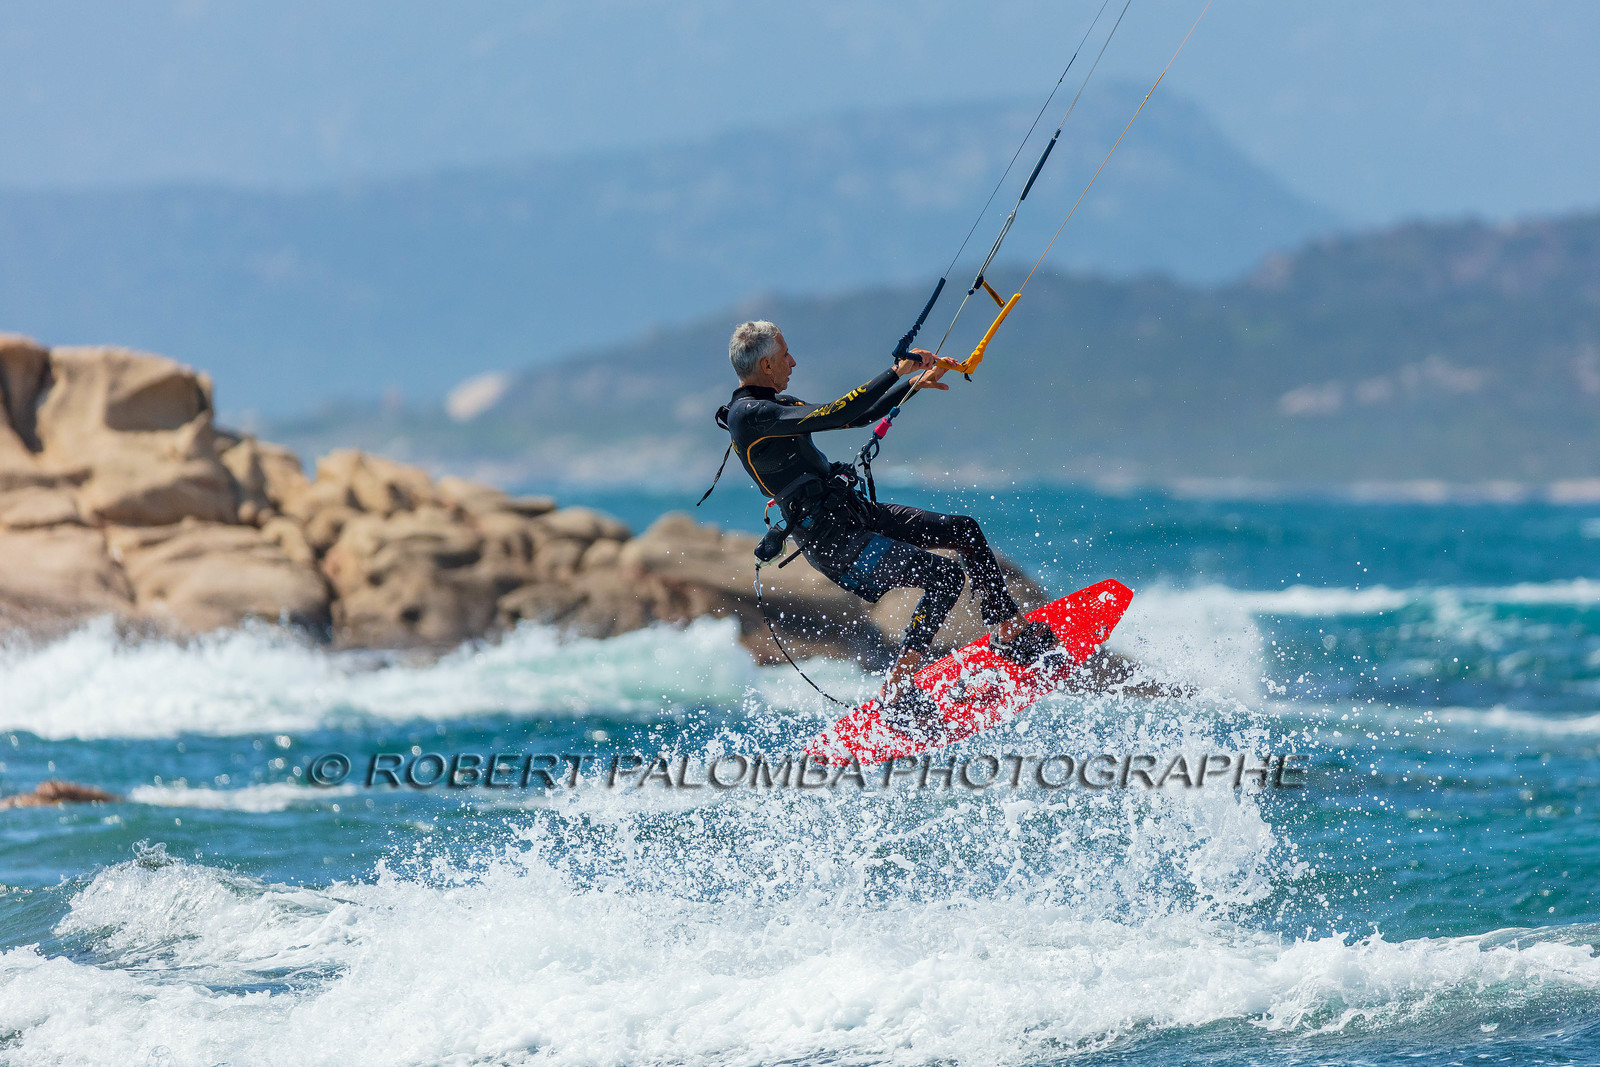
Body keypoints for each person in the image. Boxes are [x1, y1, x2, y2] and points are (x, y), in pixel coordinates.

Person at [717, 319, 1056, 732]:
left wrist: (912, 385)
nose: (793, 361)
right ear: (766, 366)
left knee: (964, 530)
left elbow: (854, 418)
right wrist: (897, 371)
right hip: (836, 543)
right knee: (946, 578)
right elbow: (839, 411)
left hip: (855, 515)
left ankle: (1008, 628)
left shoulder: (773, 405)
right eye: (785, 354)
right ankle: (897, 687)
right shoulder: (751, 415)